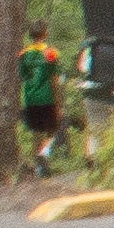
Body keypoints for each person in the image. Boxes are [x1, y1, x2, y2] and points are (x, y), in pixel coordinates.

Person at [18, 24, 68, 173]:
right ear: (45, 34)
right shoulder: (51, 53)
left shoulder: (23, 54)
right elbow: (54, 78)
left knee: (37, 130)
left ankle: (38, 166)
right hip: (47, 97)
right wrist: (58, 103)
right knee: (53, 129)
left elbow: (24, 76)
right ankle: (43, 155)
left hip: (30, 97)